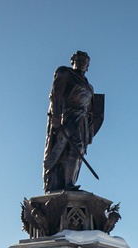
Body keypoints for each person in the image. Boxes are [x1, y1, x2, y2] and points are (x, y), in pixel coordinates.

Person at [43, 50, 103, 193]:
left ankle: (69, 182)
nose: (81, 63)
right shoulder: (65, 73)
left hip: (81, 121)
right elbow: (56, 94)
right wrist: (56, 116)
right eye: (79, 60)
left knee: (78, 148)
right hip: (67, 117)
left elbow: (91, 108)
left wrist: (89, 122)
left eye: (84, 61)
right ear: (73, 61)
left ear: (88, 66)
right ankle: (56, 179)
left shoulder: (89, 86)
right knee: (62, 147)